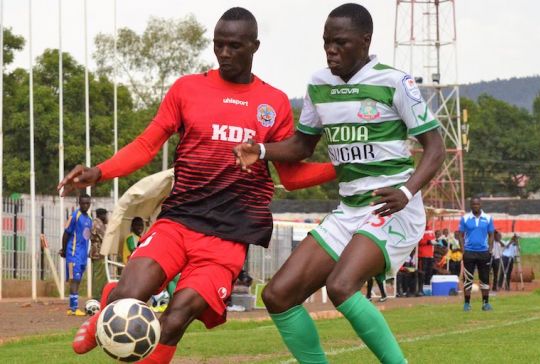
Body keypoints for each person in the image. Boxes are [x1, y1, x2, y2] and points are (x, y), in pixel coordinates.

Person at [57, 7, 336, 363]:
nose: (224, 53)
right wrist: (100, 171)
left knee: (174, 319)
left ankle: (115, 315)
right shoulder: (189, 88)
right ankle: (111, 304)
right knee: (128, 296)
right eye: (218, 45)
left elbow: (292, 177)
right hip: (178, 221)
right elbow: (146, 145)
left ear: (254, 46)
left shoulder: (274, 103)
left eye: (234, 46)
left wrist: (340, 169)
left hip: (228, 238)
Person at [234, 4, 445, 363]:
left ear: (365, 41)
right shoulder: (320, 84)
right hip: (349, 210)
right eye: (327, 42)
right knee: (278, 295)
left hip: (392, 208)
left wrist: (407, 191)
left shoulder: (395, 82)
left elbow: (435, 147)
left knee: (341, 286)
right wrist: (263, 150)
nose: (331, 50)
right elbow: (303, 145)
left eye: (340, 42)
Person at [59, 194, 93, 316]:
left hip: (83, 256)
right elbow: (66, 233)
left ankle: (72, 307)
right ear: (79, 203)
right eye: (83, 203)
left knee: (77, 280)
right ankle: (74, 308)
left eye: (87, 203)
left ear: (90, 203)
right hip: (73, 254)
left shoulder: (89, 219)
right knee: (74, 279)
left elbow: (87, 238)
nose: (85, 205)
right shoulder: (74, 216)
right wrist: (63, 250)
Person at [459, 197, 495, 311]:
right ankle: (467, 304)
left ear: (481, 205)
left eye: (477, 204)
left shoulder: (488, 218)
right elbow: (460, 235)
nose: (475, 206)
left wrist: (490, 249)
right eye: (473, 204)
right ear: (470, 205)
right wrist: (463, 250)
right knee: (468, 278)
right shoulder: (465, 218)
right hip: (469, 252)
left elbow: (491, 235)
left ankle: (485, 303)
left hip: (484, 253)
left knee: (484, 278)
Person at [90, 208, 108, 299]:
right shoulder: (98, 224)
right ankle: (97, 297)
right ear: (102, 215)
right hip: (98, 253)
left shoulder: (97, 223)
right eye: (106, 215)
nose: (107, 217)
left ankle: (99, 296)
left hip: (97, 252)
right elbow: (105, 237)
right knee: (99, 276)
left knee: (100, 275)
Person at [417, 224, 436, 295]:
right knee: (422, 272)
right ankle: (420, 289)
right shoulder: (420, 229)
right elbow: (419, 241)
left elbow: (433, 239)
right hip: (422, 255)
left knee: (429, 272)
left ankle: (427, 289)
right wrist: (428, 242)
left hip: (430, 255)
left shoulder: (431, 230)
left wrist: (432, 242)